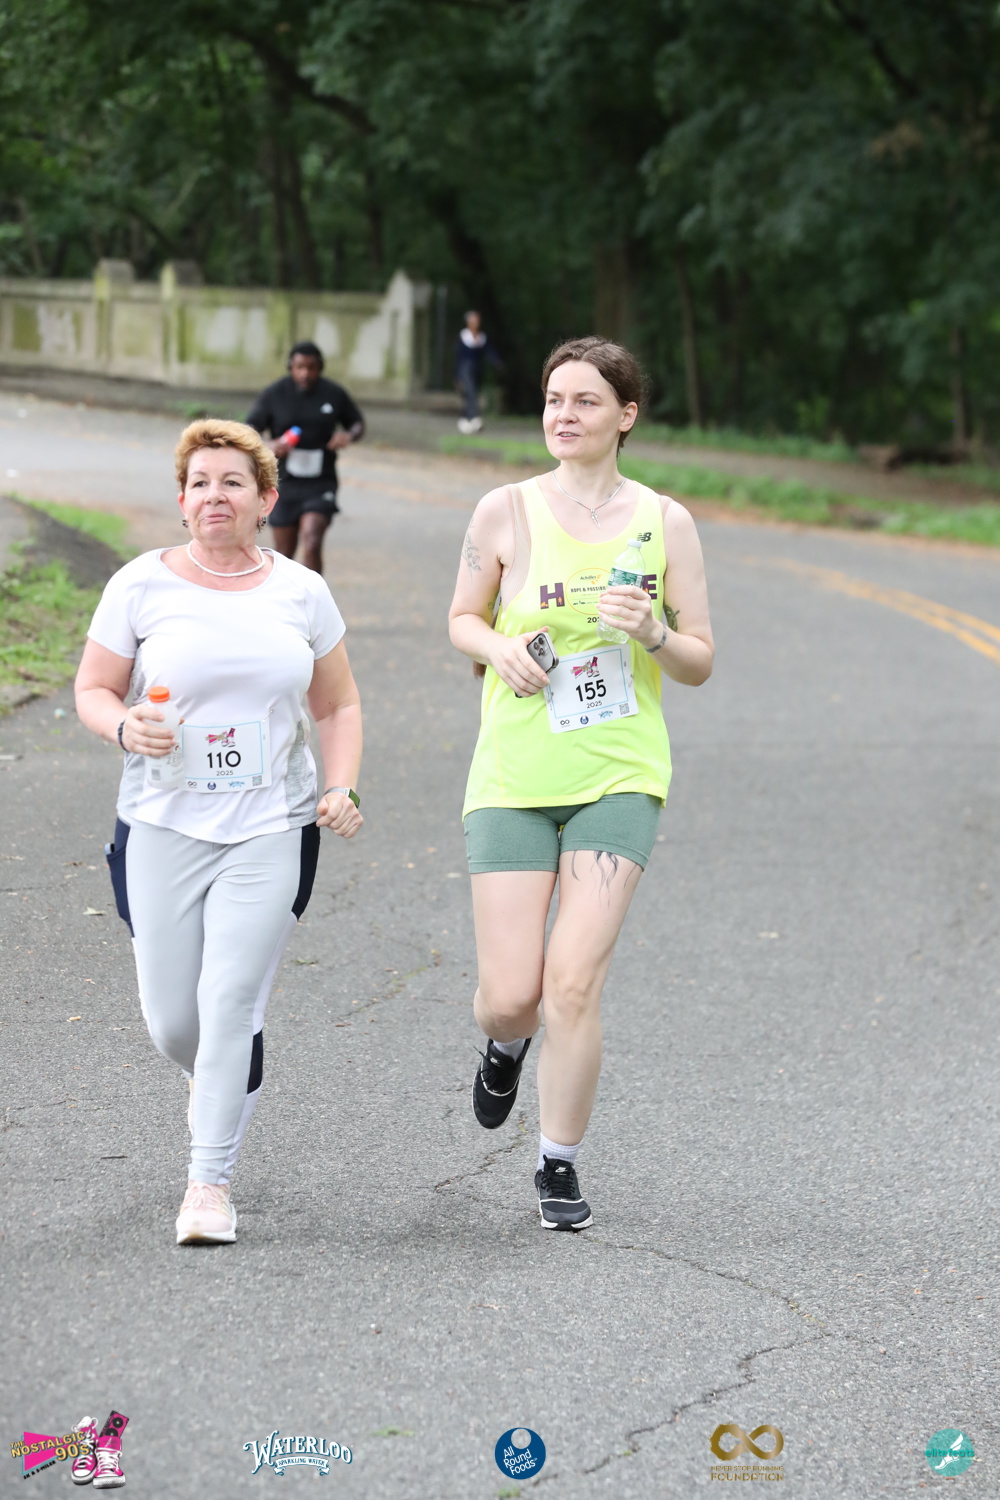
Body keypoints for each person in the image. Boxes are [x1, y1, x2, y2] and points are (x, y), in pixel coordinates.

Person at [75, 419, 363, 1245]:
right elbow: (93, 688)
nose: (214, 496)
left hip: (271, 823)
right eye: (199, 482)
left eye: (232, 482)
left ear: (266, 499)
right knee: (175, 1023)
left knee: (230, 1000)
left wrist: (339, 784)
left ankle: (209, 1187)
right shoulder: (139, 585)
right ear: (181, 499)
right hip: (162, 821)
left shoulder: (301, 591)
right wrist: (124, 725)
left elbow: (338, 704)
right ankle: (227, 1071)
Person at [448, 336, 714, 1230]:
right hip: (514, 773)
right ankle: (503, 1044)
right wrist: (499, 649)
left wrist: (654, 634)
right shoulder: (505, 512)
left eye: (586, 401)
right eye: (554, 399)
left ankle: (556, 1163)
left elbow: (700, 659)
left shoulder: (666, 523)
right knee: (512, 997)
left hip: (620, 774)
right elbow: (461, 618)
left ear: (626, 415)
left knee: (572, 983)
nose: (564, 415)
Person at [246, 341, 365, 573]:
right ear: (290, 367)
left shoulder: (333, 393)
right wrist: (270, 445)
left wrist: (348, 435)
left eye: (311, 368)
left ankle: (314, 594)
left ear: (320, 368)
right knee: (284, 554)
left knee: (312, 540)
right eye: (300, 367)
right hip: (284, 481)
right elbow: (249, 429)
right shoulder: (275, 394)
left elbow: (357, 423)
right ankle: (283, 595)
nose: (305, 373)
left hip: (321, 482)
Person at [455, 310, 502, 434]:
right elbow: (458, 357)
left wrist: (497, 362)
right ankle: (475, 419)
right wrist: (457, 376)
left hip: (477, 370)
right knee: (471, 393)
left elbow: (490, 352)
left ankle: (465, 419)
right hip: (465, 370)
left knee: (472, 394)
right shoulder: (463, 337)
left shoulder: (482, 338)